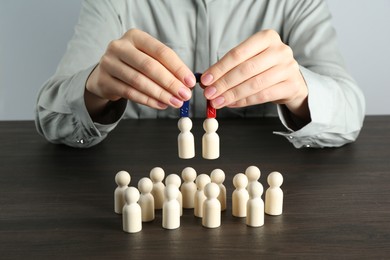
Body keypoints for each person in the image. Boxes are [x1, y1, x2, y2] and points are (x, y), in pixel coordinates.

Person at [35, 0, 365, 148]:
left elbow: (350, 113)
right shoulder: (113, 2)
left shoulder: (296, 3)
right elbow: (51, 120)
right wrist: (93, 90)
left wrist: (300, 92)